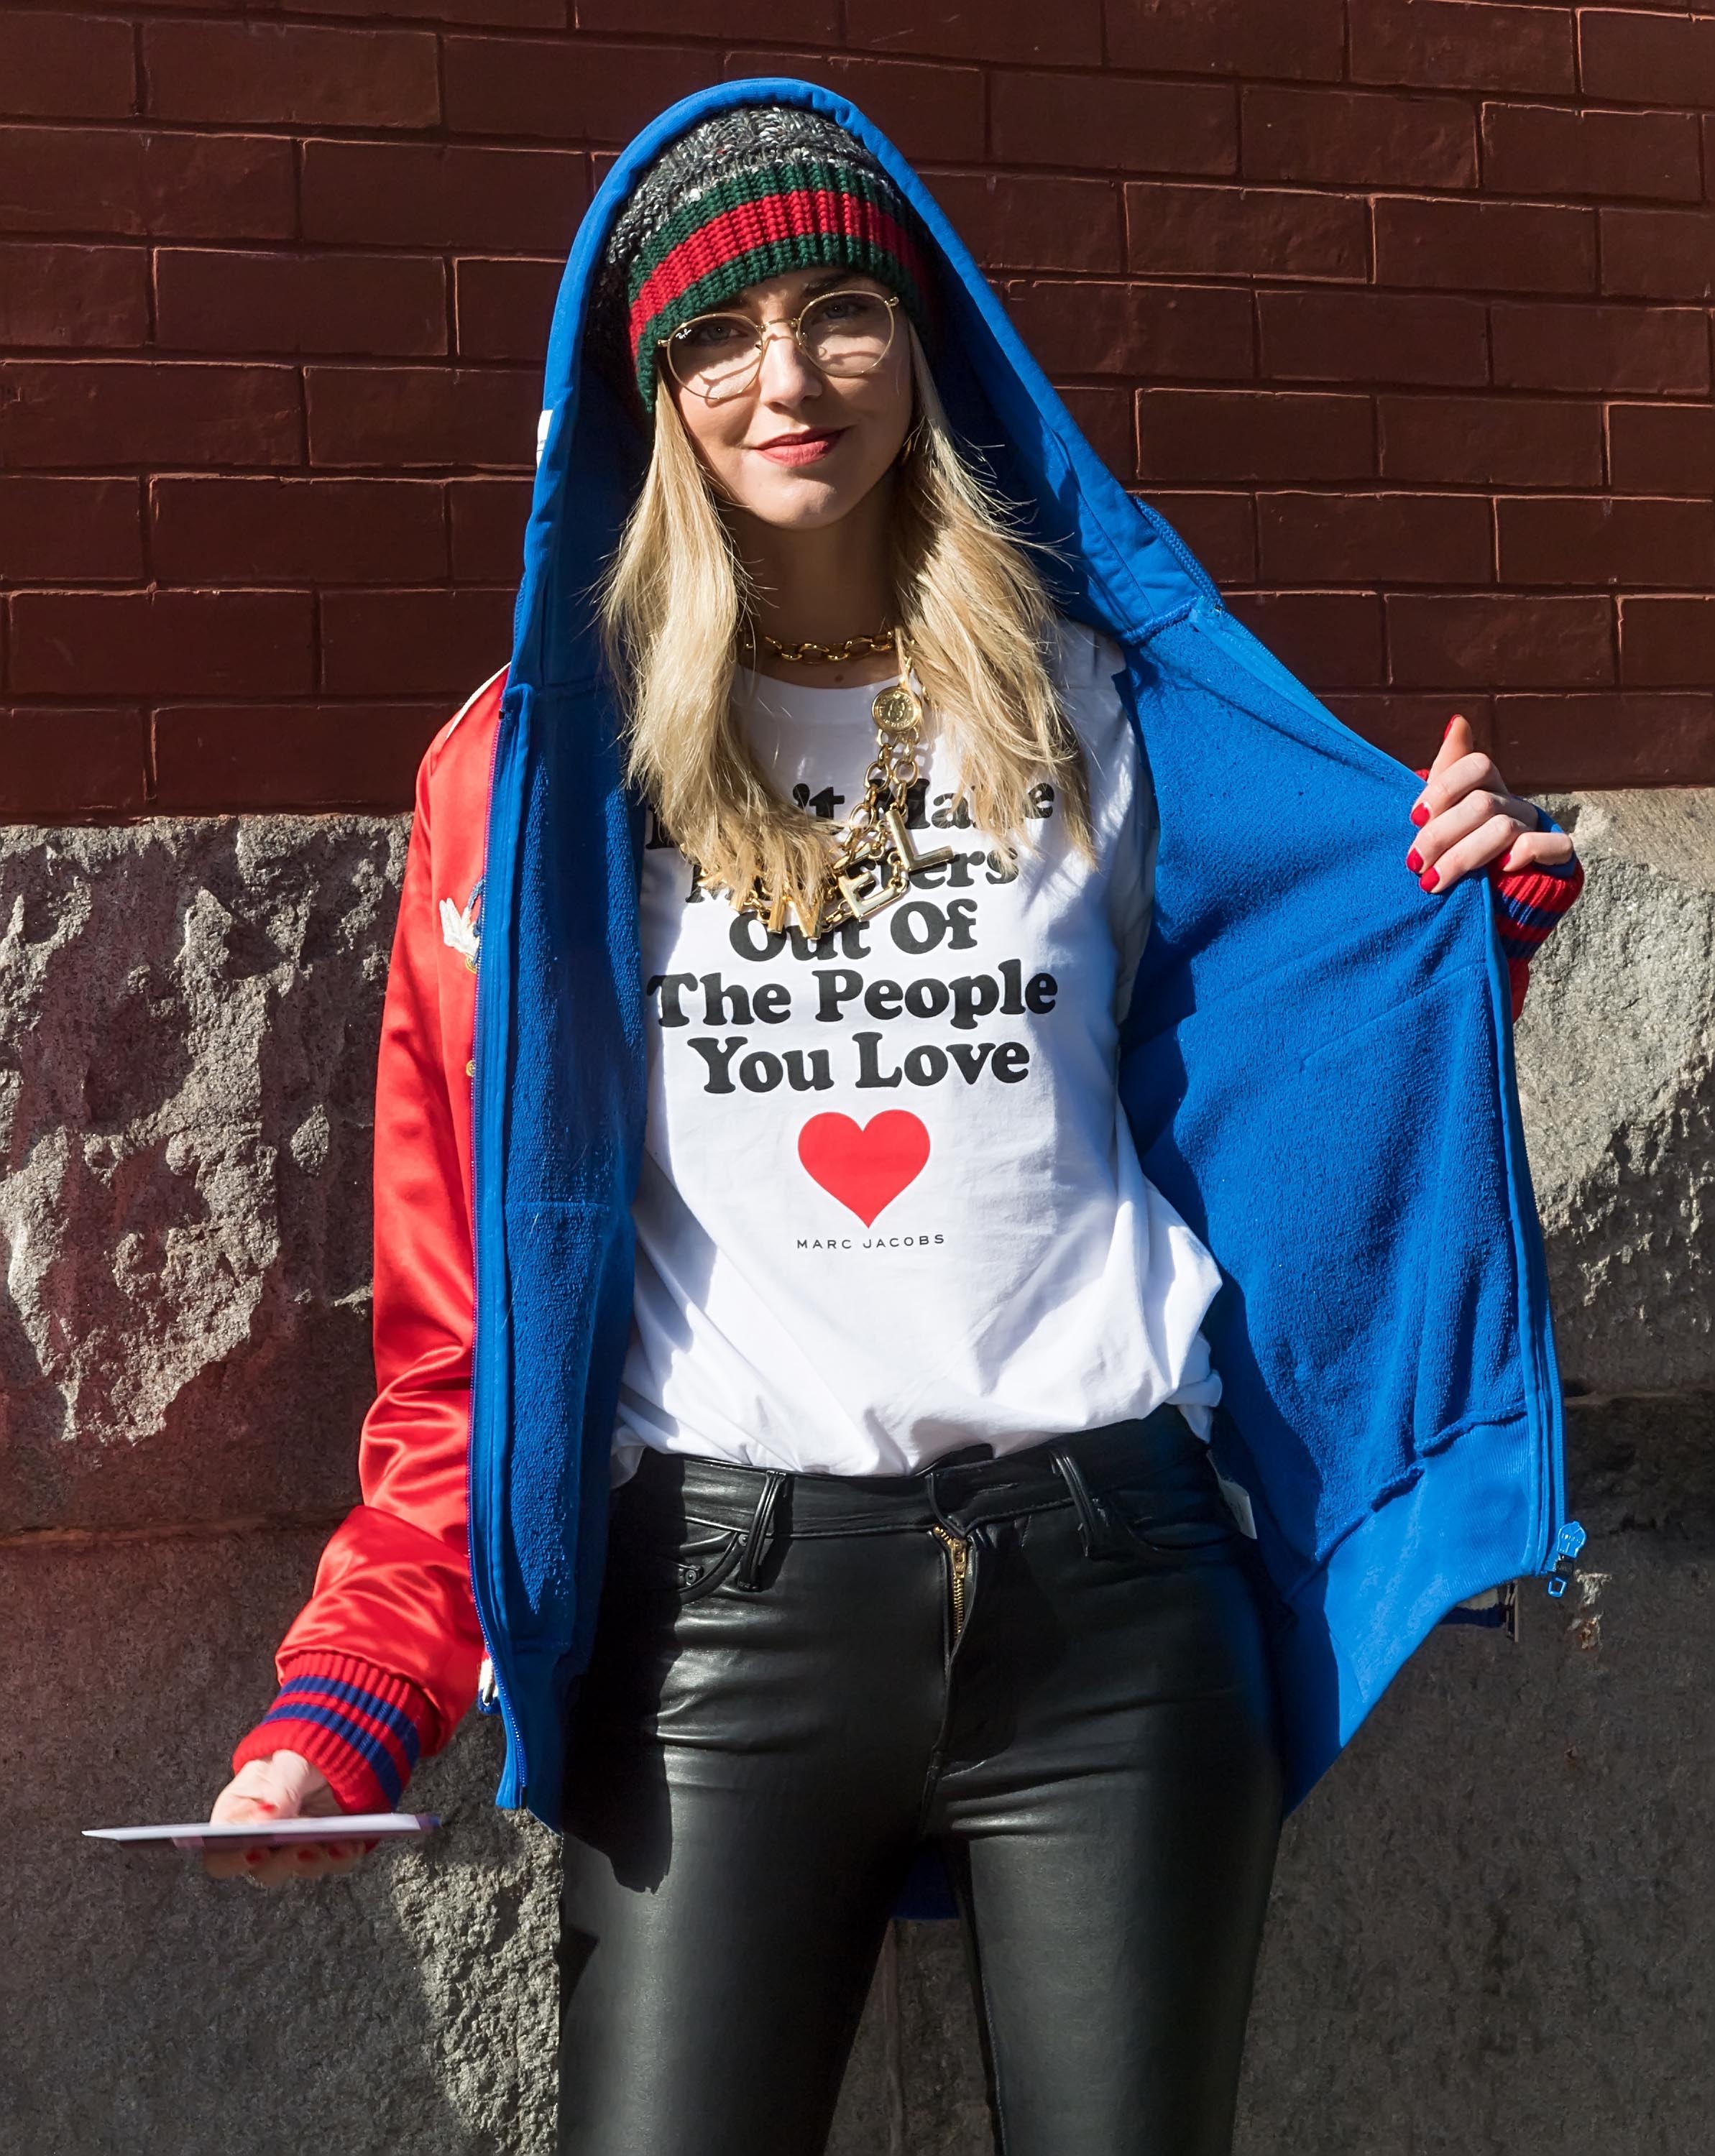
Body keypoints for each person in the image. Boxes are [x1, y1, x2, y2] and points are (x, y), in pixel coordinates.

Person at [204, 85, 1585, 2155]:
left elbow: (1298, 1045)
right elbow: (468, 1316)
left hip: (1113, 1603)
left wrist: (1459, 918)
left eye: (839, 308)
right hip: (716, 1633)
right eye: (717, 336)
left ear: (917, 336)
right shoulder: (528, 784)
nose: (787, 379)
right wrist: (355, 1699)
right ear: (649, 386)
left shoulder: (1097, 705)